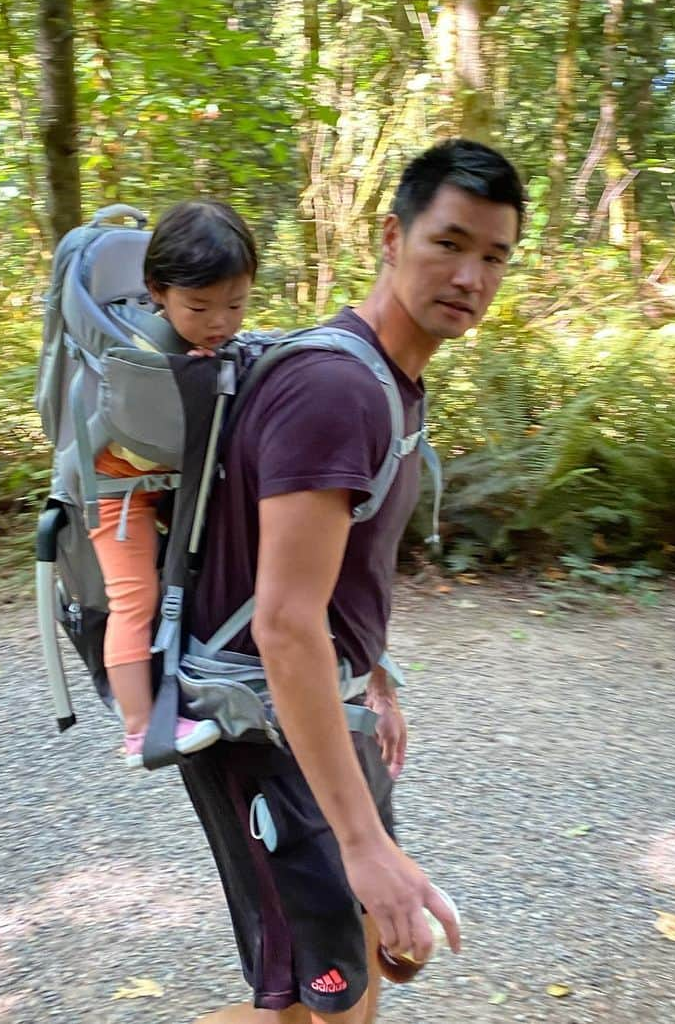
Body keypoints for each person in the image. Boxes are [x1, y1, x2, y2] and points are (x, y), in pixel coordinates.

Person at [182, 138, 525, 1023]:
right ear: (391, 236)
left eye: (494, 255)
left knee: (368, 971)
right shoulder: (337, 390)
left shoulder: (390, 379)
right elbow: (284, 623)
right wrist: (362, 839)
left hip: (323, 709)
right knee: (312, 1006)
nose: (472, 276)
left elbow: (338, 572)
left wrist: (374, 672)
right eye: (449, 243)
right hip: (263, 723)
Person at [91, 198, 258, 769]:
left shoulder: (213, 345)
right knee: (134, 600)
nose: (219, 321)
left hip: (176, 489)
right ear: (157, 291)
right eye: (200, 306)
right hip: (120, 495)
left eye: (235, 303)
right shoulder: (142, 351)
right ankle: (139, 729)